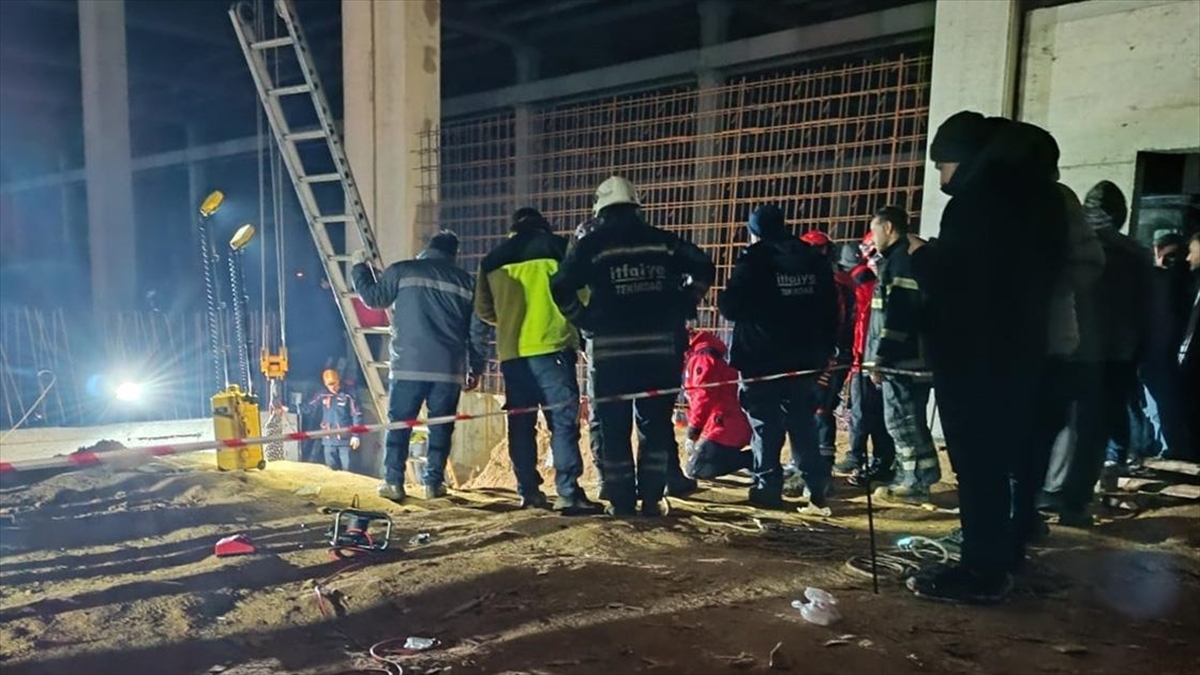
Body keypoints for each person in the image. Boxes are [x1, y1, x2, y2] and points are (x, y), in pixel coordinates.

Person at [907, 112, 1067, 603]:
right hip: (1024, 352)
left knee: (978, 466)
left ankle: (981, 571)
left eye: (942, 164)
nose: (941, 176)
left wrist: (921, 256)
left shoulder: (977, 205)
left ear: (962, 159)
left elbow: (960, 285)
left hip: (974, 357)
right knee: (1009, 461)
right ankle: (1004, 554)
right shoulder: (1044, 200)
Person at [550, 176, 715, 517]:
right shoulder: (663, 242)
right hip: (659, 353)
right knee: (655, 426)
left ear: (601, 210)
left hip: (612, 355)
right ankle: (652, 499)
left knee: (614, 429)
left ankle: (622, 502)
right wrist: (685, 301)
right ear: (636, 207)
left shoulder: (592, 245)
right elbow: (703, 265)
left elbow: (561, 285)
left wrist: (584, 320)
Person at [475, 207, 600, 514]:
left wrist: (508, 320)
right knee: (562, 422)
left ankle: (528, 492)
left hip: (513, 355)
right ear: (544, 226)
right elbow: (583, 293)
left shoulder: (491, 260)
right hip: (553, 348)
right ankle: (568, 491)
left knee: (521, 424)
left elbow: (483, 309)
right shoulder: (560, 248)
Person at [718, 205, 838, 515]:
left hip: (761, 357)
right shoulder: (812, 257)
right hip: (805, 357)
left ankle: (767, 488)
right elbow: (830, 307)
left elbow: (730, 307)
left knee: (765, 424)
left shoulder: (755, 259)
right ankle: (816, 487)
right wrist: (826, 351)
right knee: (803, 422)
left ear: (755, 232)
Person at [352, 231, 487, 503]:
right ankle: (433, 484)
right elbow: (477, 330)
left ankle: (393, 482)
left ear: (428, 247)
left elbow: (373, 298)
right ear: (455, 254)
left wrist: (358, 268)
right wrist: (476, 367)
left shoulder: (403, 270)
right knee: (441, 428)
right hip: (448, 370)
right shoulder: (466, 282)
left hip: (408, 366)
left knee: (400, 425)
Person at [1060, 181, 1153, 524]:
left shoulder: (1068, 249)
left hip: (1068, 351)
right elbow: (1147, 312)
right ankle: (1074, 504)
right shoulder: (1136, 254)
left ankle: (1035, 500)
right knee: (1094, 434)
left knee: (1049, 428)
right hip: (1115, 356)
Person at [861, 206, 940, 505]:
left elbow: (899, 315)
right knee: (910, 419)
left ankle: (915, 482)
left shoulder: (900, 262)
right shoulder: (904, 259)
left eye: (875, 230)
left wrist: (882, 357)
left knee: (901, 421)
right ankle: (919, 474)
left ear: (889, 228)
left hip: (902, 360)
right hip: (910, 357)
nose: (873, 238)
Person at [840, 233, 897, 487]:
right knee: (868, 414)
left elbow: (868, 324)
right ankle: (872, 461)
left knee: (869, 414)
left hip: (871, 359)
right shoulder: (868, 280)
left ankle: (875, 462)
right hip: (866, 357)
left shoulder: (867, 280)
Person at [799, 229, 856, 481]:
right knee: (813, 408)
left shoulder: (833, 284)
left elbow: (835, 323)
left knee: (820, 408)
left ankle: (821, 468)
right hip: (824, 354)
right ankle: (810, 463)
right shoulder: (831, 281)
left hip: (830, 356)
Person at [682, 328, 753, 480]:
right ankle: (755, 458)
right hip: (726, 422)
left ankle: (754, 459)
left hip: (725, 426)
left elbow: (703, 396)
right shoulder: (704, 352)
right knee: (697, 464)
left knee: (696, 470)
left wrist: (693, 432)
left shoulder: (703, 357)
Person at [297, 368, 363, 472]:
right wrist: (287, 408)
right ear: (325, 384)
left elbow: (356, 414)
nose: (332, 387)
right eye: (329, 385)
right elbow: (308, 407)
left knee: (348, 472)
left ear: (338, 380)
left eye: (334, 383)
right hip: (328, 440)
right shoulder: (322, 395)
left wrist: (356, 435)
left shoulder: (348, 394)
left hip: (345, 441)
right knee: (331, 472)